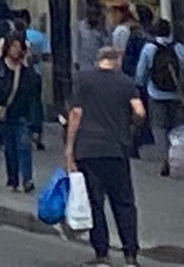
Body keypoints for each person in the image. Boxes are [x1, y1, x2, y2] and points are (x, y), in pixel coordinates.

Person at [68, 44, 146, 264]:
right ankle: (130, 254)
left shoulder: (83, 79)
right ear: (117, 61)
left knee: (95, 202)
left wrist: (69, 149)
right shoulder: (125, 82)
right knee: (124, 203)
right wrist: (131, 127)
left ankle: (101, 253)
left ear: (98, 60)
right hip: (117, 150)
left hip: (88, 150)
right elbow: (139, 111)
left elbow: (76, 113)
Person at [0, 31, 42, 191]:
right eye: (13, 46)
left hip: (21, 113)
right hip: (4, 114)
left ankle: (27, 179)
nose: (15, 50)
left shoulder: (25, 69)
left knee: (24, 145)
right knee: (10, 148)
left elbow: (34, 91)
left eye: (18, 46)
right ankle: (13, 179)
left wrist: (27, 65)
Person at [137, 18, 183, 176]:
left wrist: (141, 85)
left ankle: (165, 159)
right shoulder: (179, 48)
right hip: (177, 95)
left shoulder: (149, 49)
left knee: (159, 127)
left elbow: (140, 73)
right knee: (176, 128)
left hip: (156, 94)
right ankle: (177, 157)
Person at [77, 6, 110, 72]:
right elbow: (76, 44)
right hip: (83, 64)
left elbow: (106, 45)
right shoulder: (80, 27)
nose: (93, 18)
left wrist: (103, 29)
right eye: (92, 15)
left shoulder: (100, 29)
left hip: (97, 65)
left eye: (95, 15)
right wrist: (76, 61)